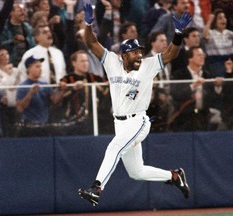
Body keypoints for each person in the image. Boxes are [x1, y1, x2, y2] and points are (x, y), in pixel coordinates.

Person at [77, 3, 192, 206]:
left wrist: (178, 34)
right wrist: (88, 23)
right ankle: (174, 176)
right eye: (134, 52)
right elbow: (91, 42)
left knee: (114, 147)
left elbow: (170, 54)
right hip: (119, 123)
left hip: (138, 121)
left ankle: (96, 188)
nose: (139, 55)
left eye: (140, 51)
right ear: (124, 55)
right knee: (136, 172)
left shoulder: (147, 66)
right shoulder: (112, 62)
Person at [59, 50, 111, 135]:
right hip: (74, 119)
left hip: (94, 119)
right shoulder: (67, 79)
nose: (85, 63)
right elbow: (61, 97)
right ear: (74, 63)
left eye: (86, 61)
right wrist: (73, 88)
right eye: (82, 61)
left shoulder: (93, 77)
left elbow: (106, 85)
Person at [15, 55, 64, 137]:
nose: (40, 69)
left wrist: (61, 90)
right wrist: (30, 94)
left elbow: (55, 101)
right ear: (29, 69)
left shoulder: (45, 85)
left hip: (44, 125)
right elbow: (20, 108)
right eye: (37, 66)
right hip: (29, 126)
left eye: (40, 66)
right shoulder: (23, 87)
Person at [0, 45, 21, 137]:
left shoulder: (16, 71)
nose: (5, 56)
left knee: (17, 130)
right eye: (2, 55)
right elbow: (2, 87)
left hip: (17, 104)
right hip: (4, 106)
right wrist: (7, 75)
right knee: (6, 131)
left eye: (7, 53)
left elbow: (18, 86)